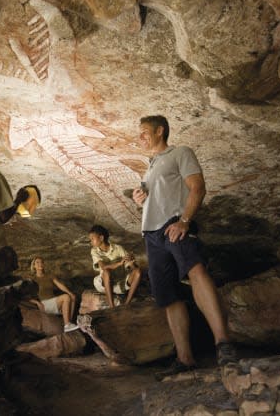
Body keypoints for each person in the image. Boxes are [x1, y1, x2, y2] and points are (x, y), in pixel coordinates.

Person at [132, 115, 237, 380]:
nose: (140, 137)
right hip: (151, 234)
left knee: (196, 270)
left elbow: (197, 188)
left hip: (174, 223)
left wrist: (184, 221)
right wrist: (139, 199)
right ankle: (185, 358)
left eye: (144, 132)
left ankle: (223, 344)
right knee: (168, 296)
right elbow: (154, 198)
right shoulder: (150, 166)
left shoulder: (180, 152)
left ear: (160, 131)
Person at [88, 224, 143, 309]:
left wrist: (132, 261)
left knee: (138, 272)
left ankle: (127, 304)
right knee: (106, 272)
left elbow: (133, 268)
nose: (90, 241)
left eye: (92, 239)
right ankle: (112, 307)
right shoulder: (94, 251)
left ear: (101, 238)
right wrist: (119, 263)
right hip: (104, 284)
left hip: (120, 284)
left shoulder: (118, 248)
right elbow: (104, 267)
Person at [29, 256, 79, 333]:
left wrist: (70, 293)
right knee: (66, 297)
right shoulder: (32, 279)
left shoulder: (49, 275)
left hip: (53, 302)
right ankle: (67, 325)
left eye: (42, 262)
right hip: (43, 304)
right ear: (34, 266)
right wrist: (37, 302)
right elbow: (25, 295)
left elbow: (60, 285)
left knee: (72, 297)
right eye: (37, 262)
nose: (40, 264)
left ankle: (68, 323)